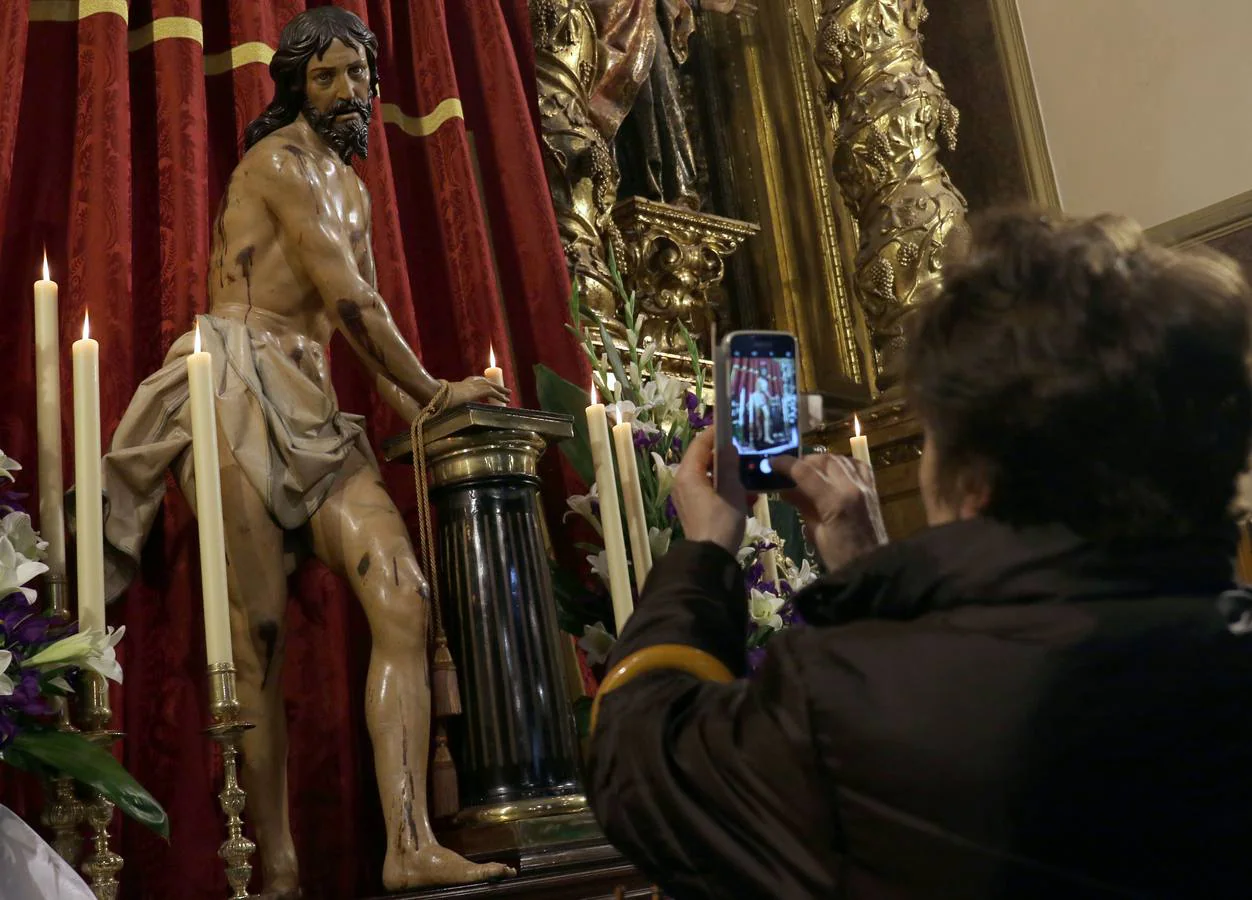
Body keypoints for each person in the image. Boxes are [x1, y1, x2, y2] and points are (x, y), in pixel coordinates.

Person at [587, 211, 1252, 899]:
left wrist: (705, 551)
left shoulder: (843, 704)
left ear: (974, 480)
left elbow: (639, 763)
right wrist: (866, 570)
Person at [97, 8, 512, 894]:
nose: (344, 92)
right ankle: (276, 870)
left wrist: (428, 408)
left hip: (314, 400)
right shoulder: (277, 165)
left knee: (401, 596)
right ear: (294, 86)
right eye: (323, 77)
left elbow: (348, 323)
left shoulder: (352, 188)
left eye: (355, 75)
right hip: (235, 389)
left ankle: (408, 845)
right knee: (260, 638)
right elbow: (354, 301)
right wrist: (435, 394)